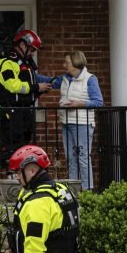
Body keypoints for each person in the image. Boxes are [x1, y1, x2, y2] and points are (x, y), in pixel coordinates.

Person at [44, 51, 103, 191]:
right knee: (71, 158)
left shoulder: (90, 79)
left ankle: (87, 190)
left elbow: (98, 102)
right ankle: (73, 190)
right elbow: (49, 81)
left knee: (82, 158)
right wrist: (30, 76)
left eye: (67, 63)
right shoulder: (64, 79)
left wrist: (79, 103)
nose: (64, 65)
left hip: (82, 124)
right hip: (67, 122)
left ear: (76, 63)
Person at [0, 29, 51, 152]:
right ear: (22, 45)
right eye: (32, 49)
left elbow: (28, 86)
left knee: (25, 153)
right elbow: (13, 85)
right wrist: (37, 87)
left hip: (26, 114)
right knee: (14, 152)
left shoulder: (26, 64)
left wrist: (42, 89)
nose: (33, 53)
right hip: (12, 115)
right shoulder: (6, 62)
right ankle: (13, 172)